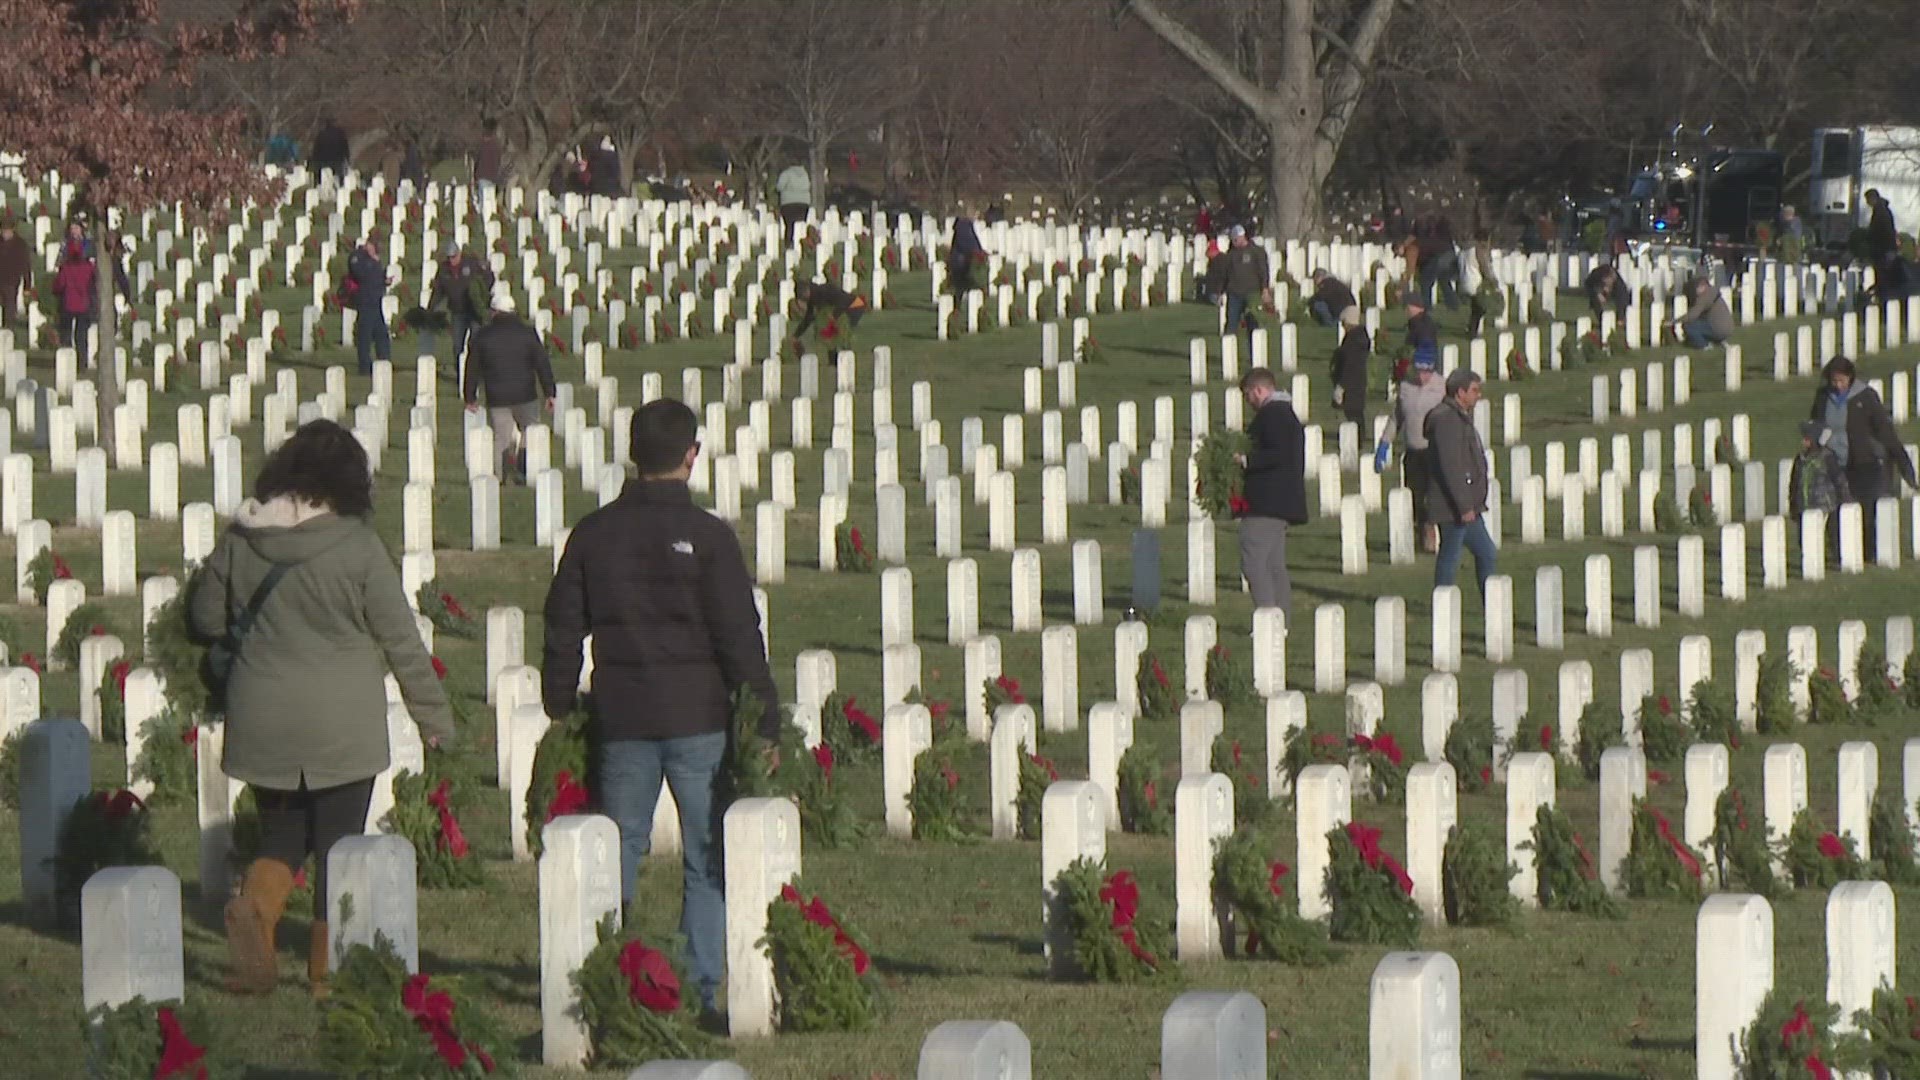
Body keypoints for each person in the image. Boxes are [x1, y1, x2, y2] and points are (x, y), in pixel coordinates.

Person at [193, 419, 452, 996]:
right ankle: (325, 972)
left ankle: (256, 920)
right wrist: (433, 719)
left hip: (262, 718)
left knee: (282, 834)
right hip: (342, 724)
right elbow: (401, 641)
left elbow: (205, 618)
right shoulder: (357, 546)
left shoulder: (241, 538)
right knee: (339, 842)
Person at [542, 398, 782, 1018]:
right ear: (691, 455)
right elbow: (738, 632)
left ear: (631, 456)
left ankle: (607, 979)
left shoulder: (594, 534)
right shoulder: (708, 537)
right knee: (705, 859)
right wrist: (765, 714)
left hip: (624, 716)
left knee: (617, 853)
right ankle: (700, 987)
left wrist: (560, 700)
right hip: (698, 717)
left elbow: (564, 623)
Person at [1808, 356, 1916, 560]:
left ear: (1850, 378)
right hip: (1834, 463)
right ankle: (1840, 552)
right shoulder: (1823, 397)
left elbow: (1886, 432)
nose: (1838, 385)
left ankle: (1868, 552)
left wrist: (1905, 468)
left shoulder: (1866, 397)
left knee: (1866, 511)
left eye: (1841, 380)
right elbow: (1815, 424)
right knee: (1835, 511)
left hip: (1865, 463)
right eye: (1834, 381)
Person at [1232, 368, 1307, 619]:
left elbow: (1279, 453)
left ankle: (1268, 619)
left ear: (1259, 390)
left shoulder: (1272, 415)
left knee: (1253, 561)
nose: (1248, 402)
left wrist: (1246, 459)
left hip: (1267, 501)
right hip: (1281, 502)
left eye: (1248, 396)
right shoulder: (1286, 414)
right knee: (1274, 565)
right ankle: (1280, 621)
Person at [463, 288, 555, 481]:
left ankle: (499, 476)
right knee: (530, 433)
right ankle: (524, 470)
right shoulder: (528, 333)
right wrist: (549, 392)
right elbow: (542, 363)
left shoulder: (483, 335)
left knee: (502, 438)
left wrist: (470, 397)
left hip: (498, 397)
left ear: (494, 312)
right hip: (525, 394)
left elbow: (472, 368)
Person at [1426, 368, 1496, 596]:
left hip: (1467, 506)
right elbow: (1451, 466)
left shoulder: (1458, 417)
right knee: (1450, 555)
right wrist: (1464, 506)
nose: (1479, 395)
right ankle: (1443, 601)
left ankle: (1493, 603)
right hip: (1453, 507)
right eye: (1474, 390)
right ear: (1460, 392)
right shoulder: (1448, 421)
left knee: (1486, 553)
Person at [1376, 354, 1445, 553]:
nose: (1423, 376)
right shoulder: (1406, 388)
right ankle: (1420, 532)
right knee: (1415, 494)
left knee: (1434, 495)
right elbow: (1397, 417)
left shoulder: (1442, 388)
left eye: (1427, 372)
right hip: (1413, 451)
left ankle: (1435, 533)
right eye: (1420, 371)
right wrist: (1384, 443)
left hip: (1434, 450)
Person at [430, 242, 495, 365]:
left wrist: (483, 295)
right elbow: (438, 290)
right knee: (457, 344)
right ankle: (459, 371)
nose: (452, 260)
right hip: (457, 311)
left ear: (459, 254)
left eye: (454, 256)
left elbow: (488, 278)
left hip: (474, 311)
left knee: (475, 342)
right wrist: (431, 308)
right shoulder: (443, 270)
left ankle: (475, 370)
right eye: (449, 257)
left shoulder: (471, 263)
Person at [1213, 225, 1272, 347]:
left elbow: (1263, 271)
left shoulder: (1256, 251)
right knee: (1231, 324)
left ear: (1242, 237)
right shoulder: (1231, 255)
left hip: (1252, 292)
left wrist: (1265, 289)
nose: (1234, 243)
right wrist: (1220, 292)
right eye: (1232, 240)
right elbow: (1225, 274)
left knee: (1253, 324)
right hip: (1234, 293)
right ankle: (1229, 356)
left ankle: (1255, 357)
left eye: (1235, 240)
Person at [1788, 418, 1850, 527]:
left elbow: (1840, 481)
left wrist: (1844, 502)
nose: (1803, 441)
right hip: (1804, 507)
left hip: (1827, 508)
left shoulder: (1827, 458)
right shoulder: (1800, 459)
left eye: (1807, 438)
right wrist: (1793, 507)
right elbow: (1794, 484)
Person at [343, 238, 390, 376]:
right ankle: (364, 366)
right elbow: (361, 275)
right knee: (365, 336)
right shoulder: (357, 257)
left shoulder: (374, 259)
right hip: (364, 301)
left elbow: (376, 277)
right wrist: (374, 261)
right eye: (373, 246)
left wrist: (384, 281)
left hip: (376, 301)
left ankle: (384, 361)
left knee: (381, 334)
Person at [52, 233, 97, 362]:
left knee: (66, 333)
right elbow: (93, 284)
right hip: (84, 304)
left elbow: (59, 285)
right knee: (81, 335)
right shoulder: (89, 267)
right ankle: (82, 362)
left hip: (68, 304)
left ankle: (67, 361)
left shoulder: (66, 268)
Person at [1330, 305, 1370, 425]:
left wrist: (1341, 386)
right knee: (1355, 414)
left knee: (1353, 415)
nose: (1342, 325)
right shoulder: (1358, 337)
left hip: (1351, 384)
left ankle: (1357, 440)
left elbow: (1350, 364)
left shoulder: (1353, 340)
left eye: (1343, 322)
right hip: (1357, 382)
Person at [790, 280, 868, 340]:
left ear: (806, 291)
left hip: (855, 305)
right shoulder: (812, 297)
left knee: (840, 335)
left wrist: (834, 316)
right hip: (845, 309)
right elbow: (809, 318)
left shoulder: (823, 291)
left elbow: (842, 300)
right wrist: (796, 335)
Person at [1676, 275, 1733, 348]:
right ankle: (1719, 341)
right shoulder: (1713, 292)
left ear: (1702, 287)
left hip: (1718, 329)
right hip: (1728, 328)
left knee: (1688, 326)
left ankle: (1704, 345)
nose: (1695, 291)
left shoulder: (1704, 297)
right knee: (1701, 323)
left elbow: (1692, 315)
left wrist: (1675, 321)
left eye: (1696, 288)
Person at [0, 218, 28, 326]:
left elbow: (25, 264)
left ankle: (8, 330)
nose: (5, 233)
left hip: (11, 280)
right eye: (3, 231)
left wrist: (27, 284)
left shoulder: (20, 244)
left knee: (10, 306)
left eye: (7, 231)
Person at [947, 217, 985, 294]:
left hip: (964, 258)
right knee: (961, 283)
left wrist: (979, 251)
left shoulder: (967, 225)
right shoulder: (963, 226)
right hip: (960, 259)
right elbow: (965, 242)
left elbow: (974, 240)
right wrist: (977, 251)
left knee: (962, 283)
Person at [776, 163, 812, 246]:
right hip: (803, 203)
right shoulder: (805, 174)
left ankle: (789, 244)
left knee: (789, 225)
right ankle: (801, 245)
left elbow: (780, 187)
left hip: (788, 202)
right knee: (800, 226)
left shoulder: (786, 173)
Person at [1405, 295, 1439, 371]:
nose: (1407, 308)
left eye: (1411, 306)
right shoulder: (1415, 323)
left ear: (1421, 309)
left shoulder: (1423, 327)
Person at [473, 124, 503, 195]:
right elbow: (499, 162)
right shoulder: (497, 147)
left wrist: (475, 175)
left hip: (482, 176)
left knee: (483, 200)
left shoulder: (481, 146)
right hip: (493, 177)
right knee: (490, 200)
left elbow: (477, 161)